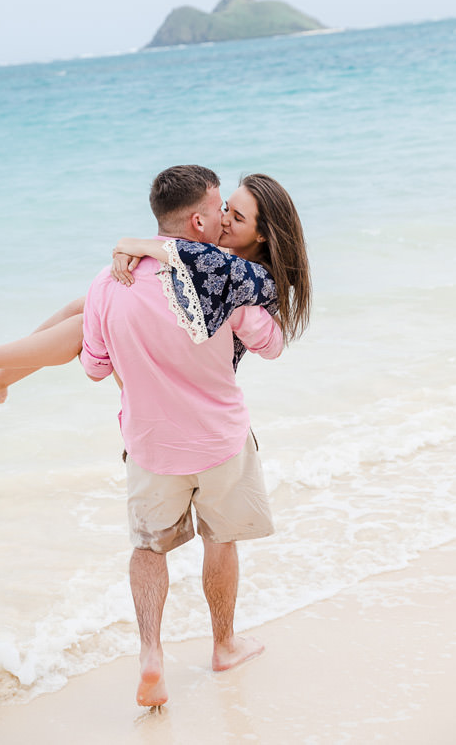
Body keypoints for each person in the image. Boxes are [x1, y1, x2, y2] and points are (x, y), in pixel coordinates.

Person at [79, 165, 286, 706]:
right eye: (221, 209)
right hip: (220, 441)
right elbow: (270, 344)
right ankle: (224, 645)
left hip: (150, 445)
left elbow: (96, 367)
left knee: (149, 549)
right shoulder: (225, 284)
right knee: (221, 540)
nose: (225, 218)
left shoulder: (107, 282)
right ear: (198, 219)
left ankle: (152, 655)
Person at [0, 172, 311, 410]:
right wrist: (133, 250)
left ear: (262, 233)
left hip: (193, 376)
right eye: (225, 206)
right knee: (83, 304)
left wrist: (135, 244)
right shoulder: (220, 254)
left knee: (90, 316)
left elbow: (197, 261)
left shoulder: (261, 280)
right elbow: (188, 258)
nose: (223, 219)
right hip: (173, 353)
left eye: (236, 217)